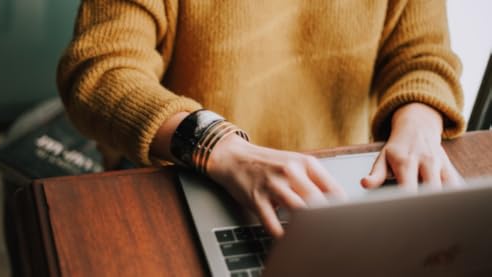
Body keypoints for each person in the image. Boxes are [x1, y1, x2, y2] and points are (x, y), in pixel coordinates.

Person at [57, 0, 465, 237]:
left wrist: (419, 120)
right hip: (186, 178)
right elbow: (100, 70)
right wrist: (217, 145)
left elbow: (423, 55)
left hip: (338, 188)